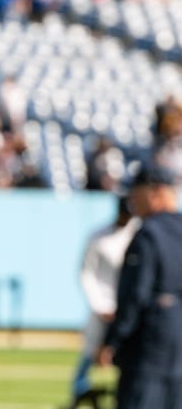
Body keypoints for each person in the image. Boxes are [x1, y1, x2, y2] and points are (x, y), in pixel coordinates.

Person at [97, 164, 182, 409]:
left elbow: (135, 294)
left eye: (137, 192)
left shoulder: (149, 234)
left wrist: (113, 340)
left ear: (155, 193)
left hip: (151, 343)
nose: (132, 200)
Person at [69, 195, 139, 405]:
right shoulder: (99, 236)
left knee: (128, 352)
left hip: (128, 304)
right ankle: (79, 390)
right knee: (91, 348)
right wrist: (100, 305)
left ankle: (125, 392)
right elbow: (86, 273)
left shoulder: (139, 235)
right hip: (103, 305)